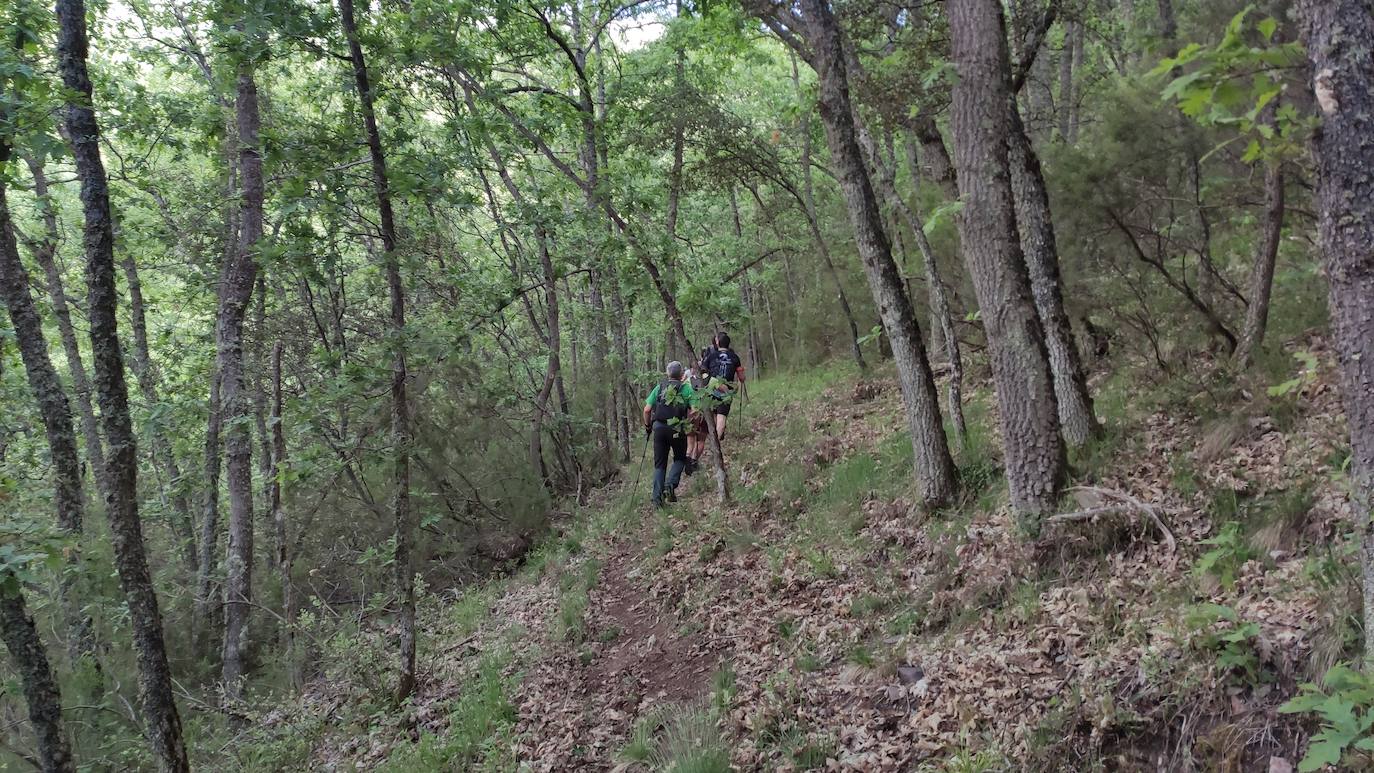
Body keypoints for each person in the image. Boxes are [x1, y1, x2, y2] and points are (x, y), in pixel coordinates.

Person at [642, 361, 697, 507]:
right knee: (679, 458)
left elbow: (647, 410)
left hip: (659, 428)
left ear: (668, 373)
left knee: (660, 465)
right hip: (677, 428)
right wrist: (688, 423)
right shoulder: (686, 389)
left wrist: (648, 426)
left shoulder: (659, 387)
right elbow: (695, 410)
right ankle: (670, 485)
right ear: (681, 375)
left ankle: (656, 500)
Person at [703, 332, 745, 440]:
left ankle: (714, 441)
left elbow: (703, 373)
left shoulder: (711, 356)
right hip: (727, 392)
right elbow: (742, 377)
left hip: (711, 390)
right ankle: (717, 443)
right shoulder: (735, 357)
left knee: (714, 415)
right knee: (722, 416)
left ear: (717, 342)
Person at [684, 366, 709, 475]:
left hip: (690, 413)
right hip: (704, 412)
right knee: (701, 440)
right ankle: (694, 461)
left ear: (692, 370)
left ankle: (688, 459)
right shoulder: (710, 379)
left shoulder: (687, 382)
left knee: (690, 439)